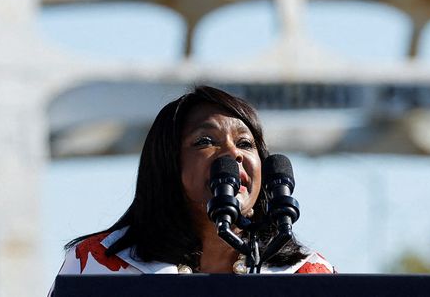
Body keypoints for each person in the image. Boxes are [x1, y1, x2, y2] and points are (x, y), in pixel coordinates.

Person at [49, 86, 334, 293]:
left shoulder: (309, 274)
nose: (233, 155)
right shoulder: (96, 265)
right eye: (205, 141)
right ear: (168, 164)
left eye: (246, 144)